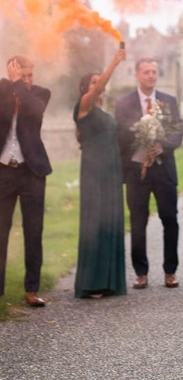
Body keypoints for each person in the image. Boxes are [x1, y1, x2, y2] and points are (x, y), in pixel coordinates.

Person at [115, 58, 183, 290]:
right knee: (137, 222)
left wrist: (163, 145)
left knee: (170, 219)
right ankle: (141, 273)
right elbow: (121, 134)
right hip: (137, 172)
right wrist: (142, 134)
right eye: (146, 72)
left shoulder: (168, 100)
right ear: (137, 75)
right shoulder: (124, 103)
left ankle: (170, 271)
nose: (151, 76)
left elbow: (178, 130)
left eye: (154, 72)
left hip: (163, 169)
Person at [73, 46, 127, 298]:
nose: (99, 85)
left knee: (111, 220)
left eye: (100, 80)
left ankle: (110, 280)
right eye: (93, 82)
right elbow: (96, 89)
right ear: (86, 88)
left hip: (111, 171)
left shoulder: (104, 112)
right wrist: (114, 62)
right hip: (94, 173)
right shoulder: (83, 107)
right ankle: (92, 282)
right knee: (95, 221)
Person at [0, 55, 52, 307]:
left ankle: (32, 289)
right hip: (3, 172)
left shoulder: (41, 93)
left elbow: (35, 110)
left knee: (34, 232)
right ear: (12, 72)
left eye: (30, 74)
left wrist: (18, 82)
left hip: (32, 171)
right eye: (23, 74)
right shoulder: (3, 90)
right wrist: (11, 84)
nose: (28, 80)